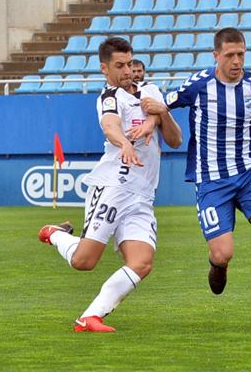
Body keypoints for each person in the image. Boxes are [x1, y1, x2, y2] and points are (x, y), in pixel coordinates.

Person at [142, 28, 251, 329]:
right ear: (217, 55)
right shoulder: (198, 85)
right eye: (230, 55)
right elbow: (164, 105)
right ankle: (218, 265)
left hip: (249, 176)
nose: (237, 61)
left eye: (241, 54)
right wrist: (150, 122)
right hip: (212, 181)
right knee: (223, 253)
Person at [37, 37, 182, 333]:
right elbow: (110, 125)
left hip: (142, 195)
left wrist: (160, 115)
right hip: (113, 187)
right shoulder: (109, 97)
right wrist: (125, 144)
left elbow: (176, 140)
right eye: (120, 65)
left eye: (130, 63)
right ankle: (53, 233)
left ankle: (90, 316)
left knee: (142, 263)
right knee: (84, 262)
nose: (128, 70)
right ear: (105, 68)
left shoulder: (151, 91)